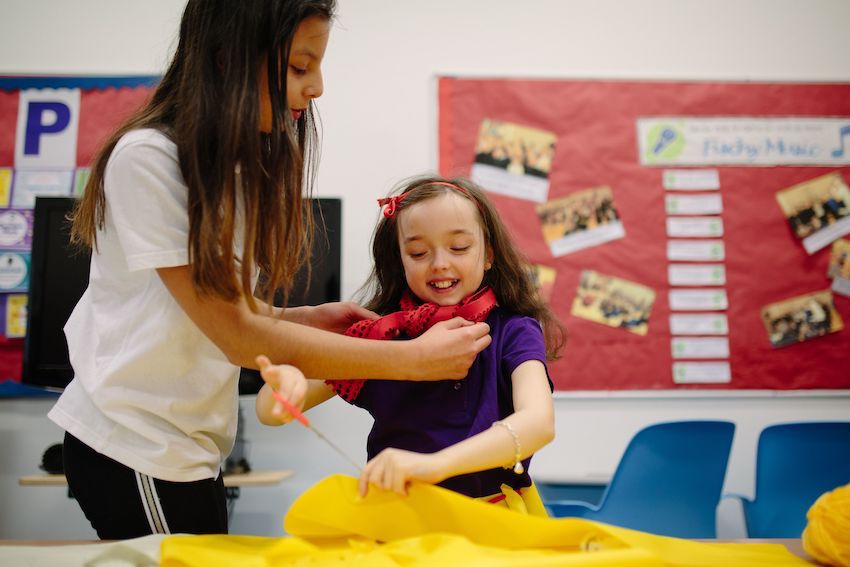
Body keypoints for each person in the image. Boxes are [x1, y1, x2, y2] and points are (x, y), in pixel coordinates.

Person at [47, 1, 491, 540]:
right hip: (137, 443)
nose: (317, 88)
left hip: (186, 446)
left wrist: (303, 318)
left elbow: (218, 310)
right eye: (300, 67)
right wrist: (411, 361)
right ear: (226, 60)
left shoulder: (229, 170)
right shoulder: (150, 160)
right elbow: (235, 334)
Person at [257, 176, 567, 515]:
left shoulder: (514, 330)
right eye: (418, 252)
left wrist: (436, 465)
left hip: (491, 521)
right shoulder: (382, 335)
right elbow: (270, 411)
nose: (439, 263)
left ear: (488, 254)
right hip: (397, 521)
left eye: (459, 247)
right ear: (400, 259)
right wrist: (287, 386)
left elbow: (538, 422)